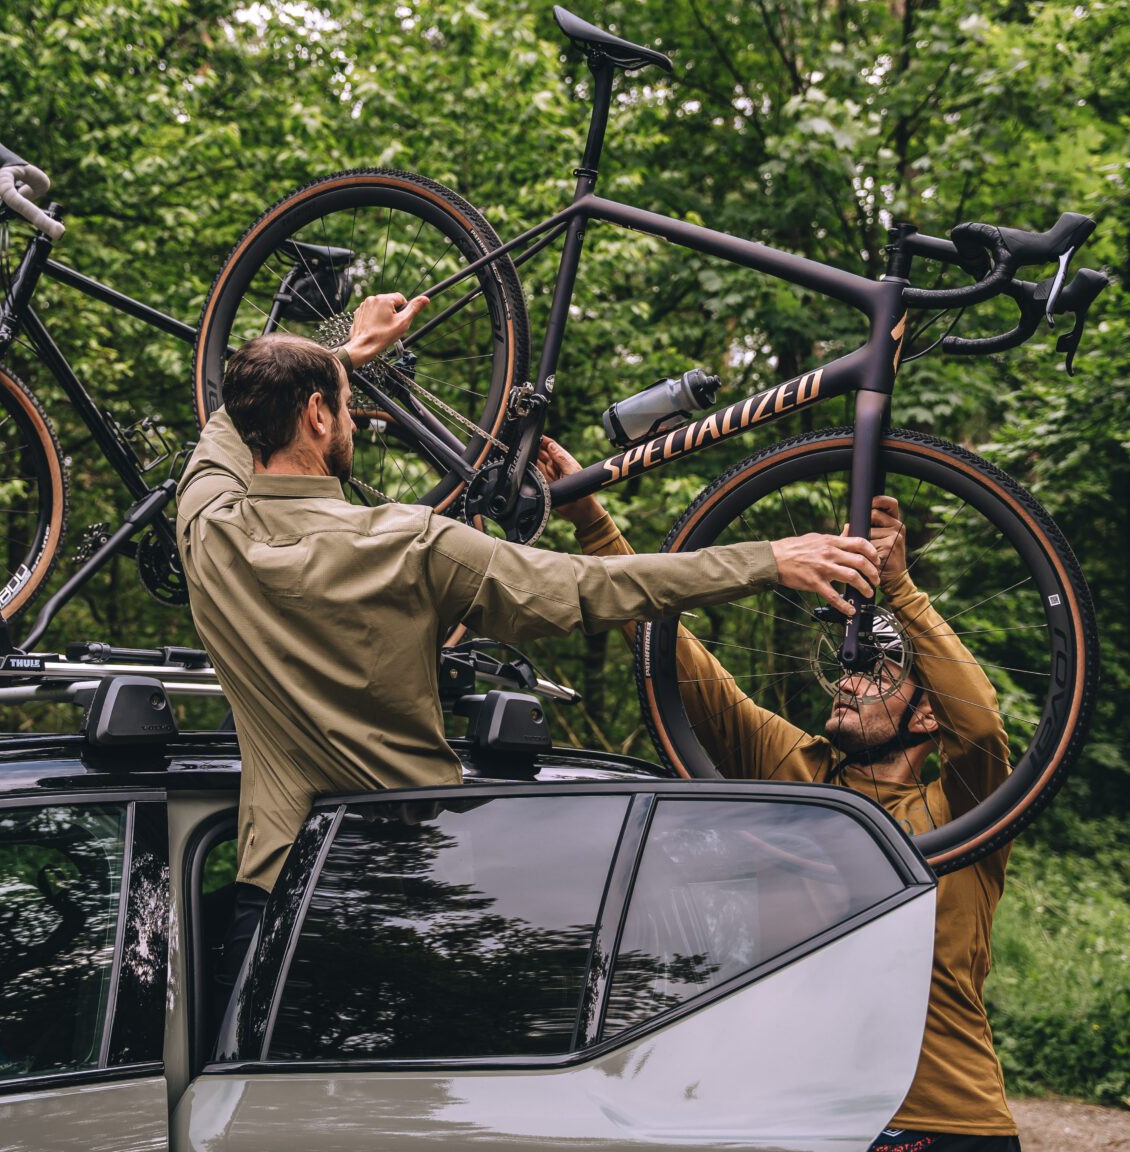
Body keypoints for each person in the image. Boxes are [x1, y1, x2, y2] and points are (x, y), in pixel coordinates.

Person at [177, 293, 884, 996]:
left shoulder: (208, 530)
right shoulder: (406, 543)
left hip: (269, 914)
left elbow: (226, 428)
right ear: (317, 415)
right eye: (343, 403)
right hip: (402, 905)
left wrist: (341, 361)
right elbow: (586, 589)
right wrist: (769, 560)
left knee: (255, 1112)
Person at [537, 435, 1020, 1152]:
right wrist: (590, 521)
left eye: (881, 671)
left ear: (925, 715)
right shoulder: (794, 763)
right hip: (807, 1117)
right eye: (853, 667)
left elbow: (980, 722)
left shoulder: (960, 805)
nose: (852, 677)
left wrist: (901, 590)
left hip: (946, 1118)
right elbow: (678, 658)